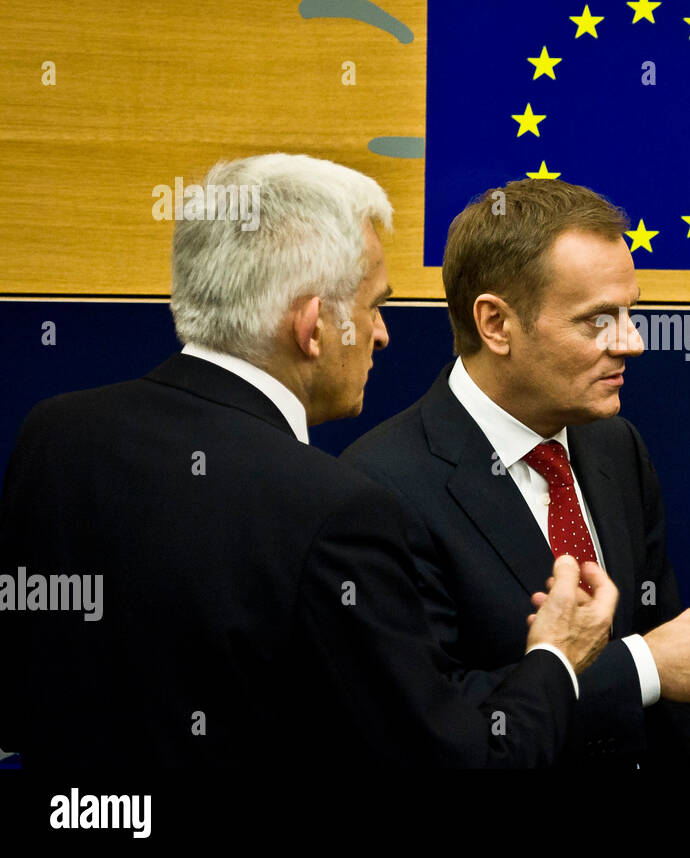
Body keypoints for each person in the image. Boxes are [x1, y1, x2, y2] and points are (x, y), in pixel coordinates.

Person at [0, 154, 617, 768]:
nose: (382, 335)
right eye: (375, 306)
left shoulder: (55, 435)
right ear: (314, 327)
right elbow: (461, 765)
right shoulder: (338, 511)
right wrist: (555, 657)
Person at [342, 178, 690, 767]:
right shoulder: (380, 489)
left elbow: (683, 684)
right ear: (496, 324)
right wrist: (641, 670)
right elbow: (437, 720)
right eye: (598, 320)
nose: (632, 342)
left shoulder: (615, 446)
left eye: (632, 312)